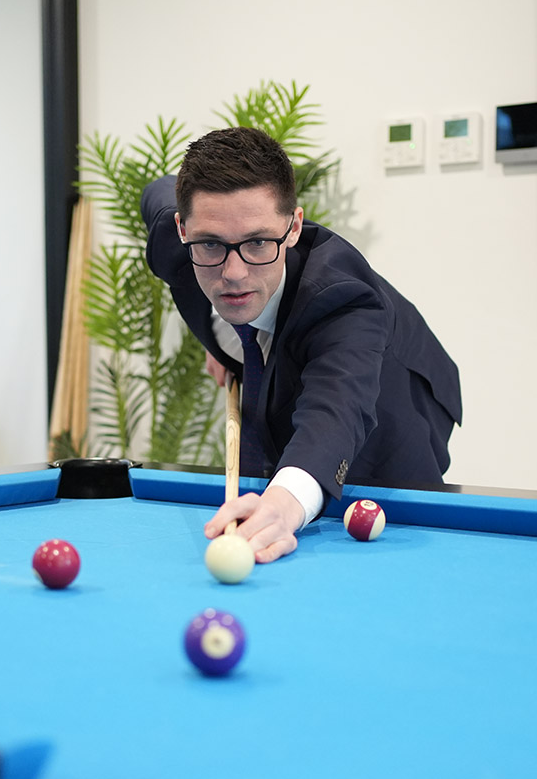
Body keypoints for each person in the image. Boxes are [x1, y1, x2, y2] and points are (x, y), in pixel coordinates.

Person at [142, 126, 461, 563]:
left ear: (293, 226)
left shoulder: (344, 300)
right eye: (211, 244)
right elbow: (157, 192)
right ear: (181, 228)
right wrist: (225, 341)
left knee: (389, 546)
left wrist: (283, 503)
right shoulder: (173, 236)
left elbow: (336, 411)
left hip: (391, 394)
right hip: (285, 362)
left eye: (257, 242)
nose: (233, 273)